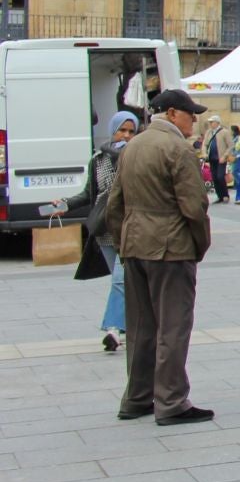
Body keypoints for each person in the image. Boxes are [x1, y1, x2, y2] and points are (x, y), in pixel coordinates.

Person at [99, 89, 214, 425]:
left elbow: (114, 204)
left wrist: (124, 242)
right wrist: (199, 245)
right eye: (191, 114)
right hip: (170, 248)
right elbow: (194, 207)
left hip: (135, 245)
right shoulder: (178, 149)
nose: (194, 119)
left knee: (140, 327)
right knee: (173, 326)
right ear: (174, 113)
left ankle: (136, 397)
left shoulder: (133, 146)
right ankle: (172, 401)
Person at [84, 110, 140, 352]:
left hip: (128, 229)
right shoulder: (97, 159)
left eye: (131, 131)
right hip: (105, 230)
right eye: (122, 130)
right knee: (123, 282)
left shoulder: (136, 157)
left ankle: (112, 330)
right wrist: (63, 203)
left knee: (120, 279)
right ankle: (129, 325)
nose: (126, 135)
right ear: (113, 129)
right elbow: (90, 193)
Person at [203, 117, 230, 203]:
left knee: (220, 176)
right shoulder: (209, 132)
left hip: (221, 158)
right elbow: (204, 144)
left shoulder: (224, 132)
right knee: (214, 177)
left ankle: (225, 195)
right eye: (210, 122)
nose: (210, 124)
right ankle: (220, 196)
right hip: (212, 158)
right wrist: (204, 153)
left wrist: (224, 156)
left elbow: (230, 145)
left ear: (217, 123)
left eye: (212, 122)